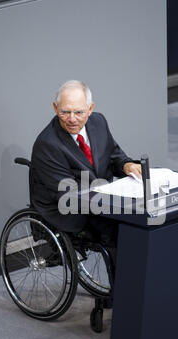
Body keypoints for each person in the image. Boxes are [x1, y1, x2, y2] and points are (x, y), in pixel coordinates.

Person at [30, 80, 141, 249]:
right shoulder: (47, 144)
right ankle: (126, 274)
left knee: (144, 215)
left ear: (90, 109)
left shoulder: (98, 122)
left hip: (100, 195)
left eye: (79, 112)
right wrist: (113, 202)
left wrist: (127, 165)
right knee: (117, 228)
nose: (72, 119)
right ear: (55, 108)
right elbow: (68, 194)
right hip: (66, 207)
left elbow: (114, 155)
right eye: (65, 112)